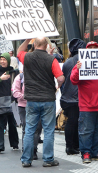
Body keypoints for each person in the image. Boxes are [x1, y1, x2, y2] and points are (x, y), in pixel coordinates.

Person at [17, 37, 65, 168]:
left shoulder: (27, 57)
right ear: (46, 45)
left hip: (31, 100)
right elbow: (60, 77)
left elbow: (19, 51)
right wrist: (57, 86)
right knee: (48, 130)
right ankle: (48, 159)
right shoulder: (51, 59)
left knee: (29, 130)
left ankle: (26, 159)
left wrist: (27, 40)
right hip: (48, 99)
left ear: (35, 44)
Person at [0, 52, 19, 155]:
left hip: (11, 101)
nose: (2, 61)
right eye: (1, 59)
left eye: (4, 59)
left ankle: (15, 144)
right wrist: (0, 79)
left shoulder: (13, 72)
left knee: (12, 124)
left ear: (8, 60)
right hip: (0, 101)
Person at [60, 38, 86, 155]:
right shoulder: (83, 61)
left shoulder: (67, 62)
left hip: (67, 96)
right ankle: (72, 146)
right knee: (75, 122)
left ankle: (71, 145)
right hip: (76, 97)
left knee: (72, 121)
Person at [12, 71, 42, 160]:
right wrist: (26, 96)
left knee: (37, 129)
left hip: (37, 105)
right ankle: (26, 149)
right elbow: (15, 92)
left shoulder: (38, 75)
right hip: (23, 106)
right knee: (26, 127)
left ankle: (33, 150)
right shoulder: (20, 77)